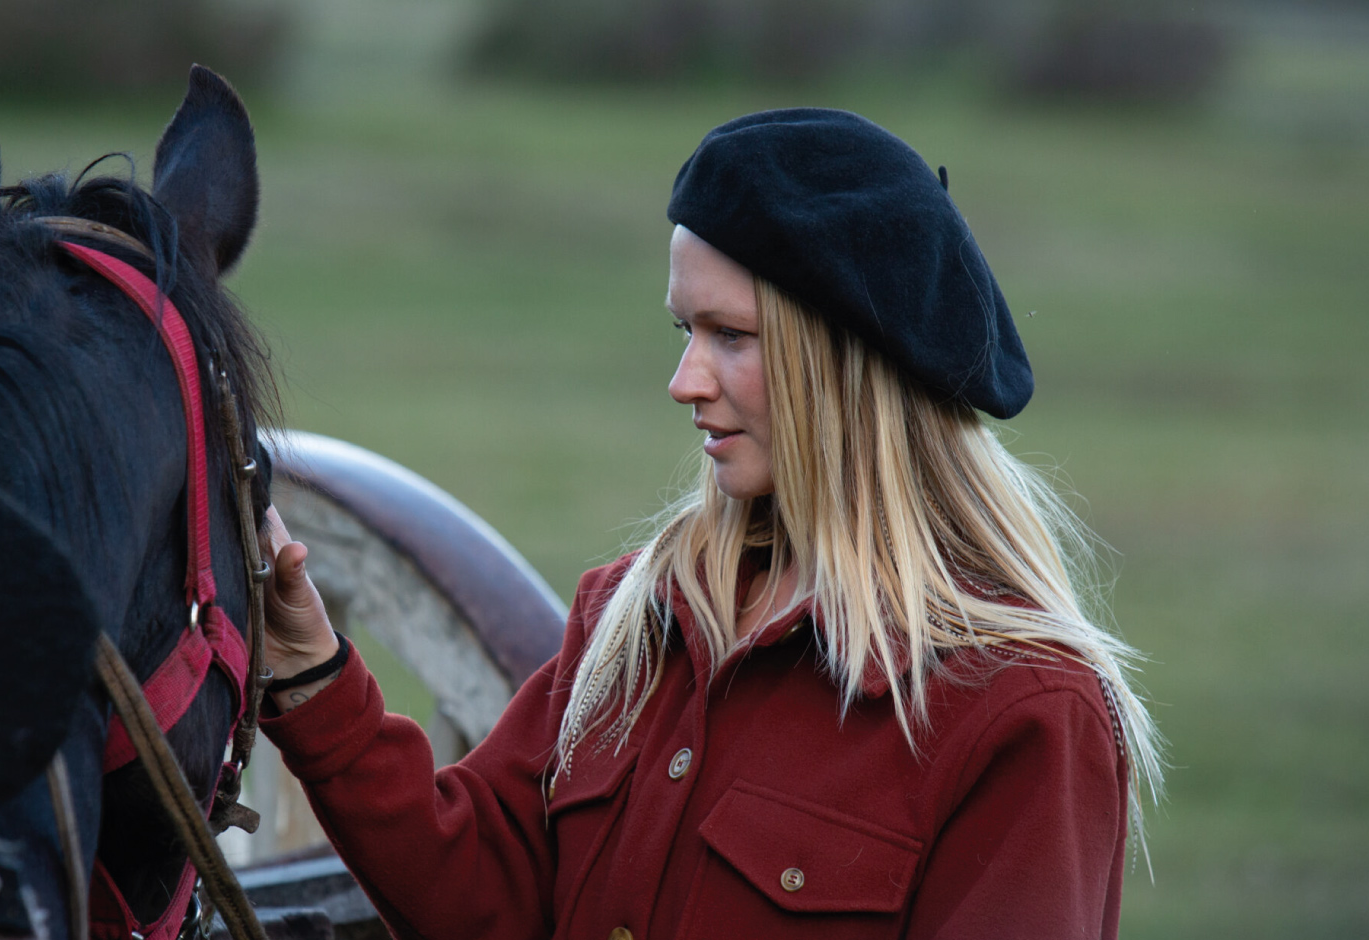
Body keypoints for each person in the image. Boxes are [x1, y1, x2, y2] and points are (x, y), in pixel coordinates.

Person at [255, 108, 1163, 939]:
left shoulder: (1022, 713)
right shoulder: (634, 618)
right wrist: (310, 674)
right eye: (682, 331)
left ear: (842, 367)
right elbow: (478, 882)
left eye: (731, 336)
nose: (685, 381)